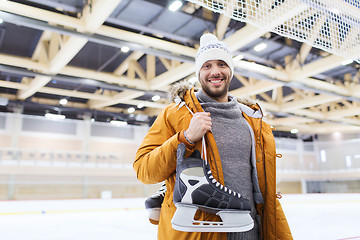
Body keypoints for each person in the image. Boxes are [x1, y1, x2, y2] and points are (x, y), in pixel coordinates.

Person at [134, 33, 292, 240]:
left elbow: (263, 188)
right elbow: (144, 171)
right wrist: (185, 138)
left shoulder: (252, 121)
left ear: (230, 71)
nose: (215, 72)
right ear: (198, 72)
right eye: (207, 66)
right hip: (201, 232)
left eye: (221, 64)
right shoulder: (175, 114)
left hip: (250, 230)